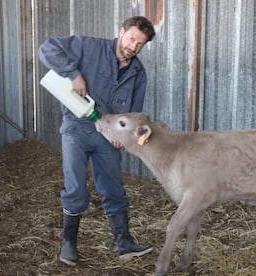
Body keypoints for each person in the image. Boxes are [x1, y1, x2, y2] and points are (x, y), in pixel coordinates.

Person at [38, 16, 156, 266]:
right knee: (76, 188)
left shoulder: (138, 73)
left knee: (113, 188)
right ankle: (68, 244)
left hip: (107, 136)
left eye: (141, 44)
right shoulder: (88, 46)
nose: (134, 47)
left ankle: (124, 243)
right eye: (132, 38)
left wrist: (123, 137)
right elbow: (47, 49)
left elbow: (133, 115)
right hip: (76, 129)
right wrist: (73, 74)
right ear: (121, 32)